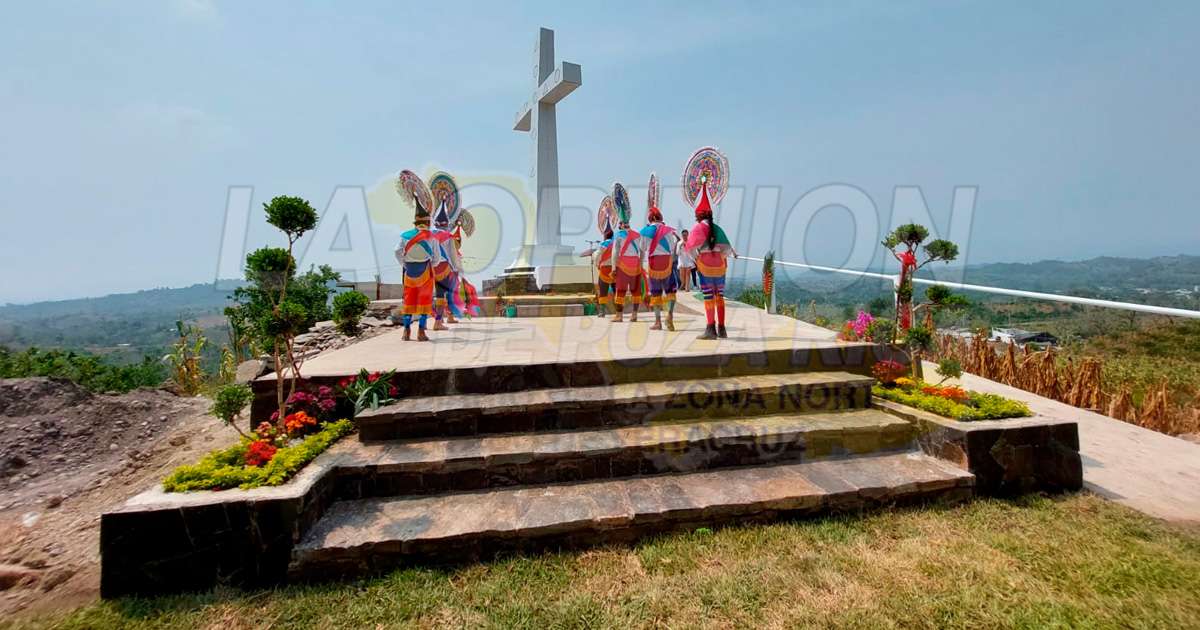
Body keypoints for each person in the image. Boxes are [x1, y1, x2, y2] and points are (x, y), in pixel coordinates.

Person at [685, 185, 736, 339]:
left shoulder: (698, 228)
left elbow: (690, 250)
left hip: (706, 266)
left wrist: (697, 259)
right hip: (719, 266)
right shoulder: (718, 228)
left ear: (698, 216)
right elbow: (727, 249)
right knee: (719, 295)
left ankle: (710, 329)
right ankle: (722, 328)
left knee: (708, 297)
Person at [393, 196, 443, 341]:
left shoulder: (405, 236)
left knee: (408, 302)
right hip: (425, 272)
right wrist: (431, 265)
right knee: (424, 302)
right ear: (427, 222)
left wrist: (405, 263)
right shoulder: (432, 237)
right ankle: (421, 332)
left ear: (415, 222)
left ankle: (406, 331)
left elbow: (396, 251)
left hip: (409, 273)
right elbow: (437, 257)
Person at [638, 206, 680, 330]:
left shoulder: (644, 231)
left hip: (654, 264)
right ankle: (670, 316)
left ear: (650, 219)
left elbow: (643, 249)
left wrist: (640, 265)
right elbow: (672, 247)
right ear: (661, 218)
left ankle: (658, 322)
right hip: (666, 263)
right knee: (670, 291)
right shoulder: (668, 231)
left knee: (656, 293)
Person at [430, 199, 465, 330]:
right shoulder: (448, 237)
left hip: (428, 268)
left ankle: (424, 325)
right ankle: (438, 322)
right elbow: (452, 255)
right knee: (443, 294)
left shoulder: (429, 235)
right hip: (443, 268)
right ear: (446, 224)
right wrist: (456, 269)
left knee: (429, 295)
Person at [592, 227, 616, 317]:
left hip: (605, 270)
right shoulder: (616, 244)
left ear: (605, 236)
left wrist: (597, 265)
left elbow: (597, 255)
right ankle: (618, 310)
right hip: (615, 270)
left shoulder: (602, 244)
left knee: (603, 291)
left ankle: (602, 311)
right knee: (616, 290)